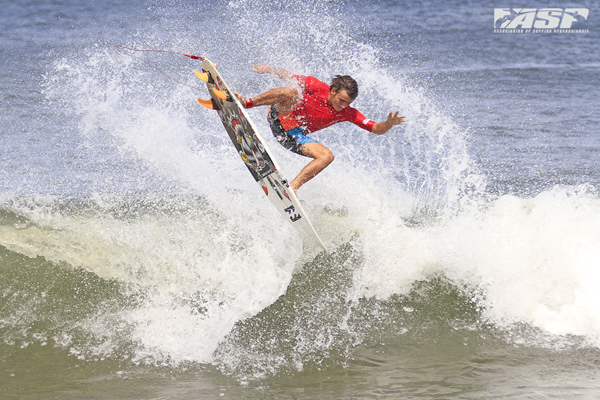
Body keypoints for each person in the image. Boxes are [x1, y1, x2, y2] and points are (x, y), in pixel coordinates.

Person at [235, 63, 406, 194]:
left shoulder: (348, 113)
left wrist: (389, 123)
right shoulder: (314, 85)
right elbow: (289, 77)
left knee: (327, 156)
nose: (344, 106)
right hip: (280, 116)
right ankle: (247, 103)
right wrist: (268, 69)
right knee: (291, 92)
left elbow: (376, 128)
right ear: (332, 91)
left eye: (348, 103)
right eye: (341, 100)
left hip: (293, 136)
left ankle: (291, 189)